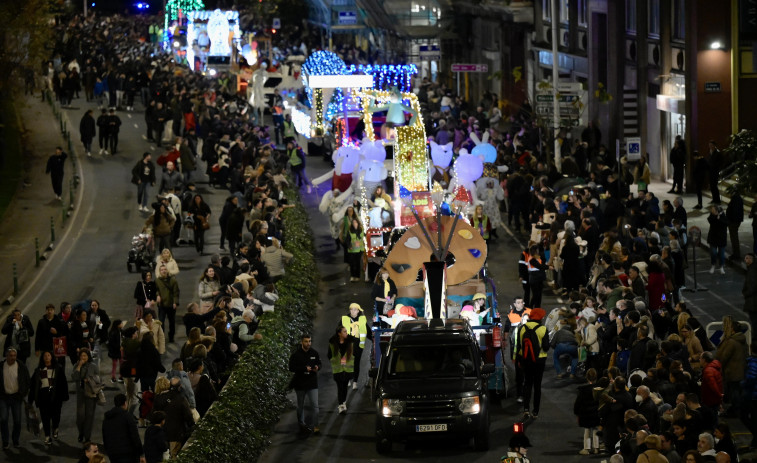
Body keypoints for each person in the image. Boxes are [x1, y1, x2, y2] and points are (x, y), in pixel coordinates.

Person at [28, 351, 68, 445]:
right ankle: (47, 436)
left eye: (48, 355)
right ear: (42, 358)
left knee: (56, 416)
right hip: (43, 397)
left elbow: (63, 382)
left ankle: (55, 428)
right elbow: (33, 385)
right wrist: (31, 399)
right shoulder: (38, 370)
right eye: (45, 356)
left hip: (56, 397)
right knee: (45, 417)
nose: (46, 357)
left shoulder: (58, 368)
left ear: (52, 357)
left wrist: (65, 395)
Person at [516, 307, 549, 419]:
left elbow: (519, 345)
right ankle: (535, 411)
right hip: (539, 360)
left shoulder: (522, 328)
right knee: (537, 385)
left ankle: (526, 409)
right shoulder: (543, 329)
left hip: (525, 359)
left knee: (527, 383)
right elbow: (545, 347)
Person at [152, 377, 194, 458]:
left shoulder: (157, 398)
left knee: (163, 457)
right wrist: (191, 425)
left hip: (162, 433)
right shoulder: (179, 398)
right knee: (174, 456)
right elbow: (188, 415)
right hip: (176, 433)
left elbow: (153, 416)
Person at [288, 334, 322, 434]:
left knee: (315, 406)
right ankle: (301, 425)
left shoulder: (314, 353)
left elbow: (319, 364)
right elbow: (291, 368)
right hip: (300, 384)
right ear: (301, 342)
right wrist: (303, 369)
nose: (308, 343)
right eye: (306, 341)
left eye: (310, 341)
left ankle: (316, 427)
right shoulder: (296, 355)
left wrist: (317, 368)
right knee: (300, 406)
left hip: (312, 383)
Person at [102, 393, 147, 463]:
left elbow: (104, 436)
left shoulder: (107, 418)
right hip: (128, 454)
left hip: (113, 453)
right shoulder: (127, 417)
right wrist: (141, 453)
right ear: (125, 403)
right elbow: (135, 436)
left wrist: (108, 451)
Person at [0, 348, 30, 449]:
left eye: (14, 356)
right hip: (4, 397)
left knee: (17, 421)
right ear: (6, 356)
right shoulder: (1, 366)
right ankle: (5, 440)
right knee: (3, 419)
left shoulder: (21, 366)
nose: (13, 358)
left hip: (16, 397)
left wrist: (23, 393)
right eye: (11, 355)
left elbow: (27, 380)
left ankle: (15, 439)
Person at [341, 303, 371, 390]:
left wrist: (374, 339)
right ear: (349, 310)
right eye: (351, 309)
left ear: (358, 311)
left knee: (356, 363)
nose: (353, 311)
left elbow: (368, 331)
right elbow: (338, 331)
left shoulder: (362, 320)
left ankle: (355, 382)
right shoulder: (344, 319)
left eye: (355, 309)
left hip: (358, 345)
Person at [71, 349, 98, 443]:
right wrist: (79, 366)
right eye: (82, 356)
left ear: (88, 356)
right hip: (81, 393)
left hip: (91, 393)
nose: (83, 358)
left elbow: (98, 379)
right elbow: (74, 377)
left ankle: (87, 436)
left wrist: (90, 380)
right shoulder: (76, 365)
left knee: (89, 416)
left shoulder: (93, 366)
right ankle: (81, 432)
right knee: (80, 416)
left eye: (85, 356)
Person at [328, 325, 356, 415]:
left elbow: (354, 354)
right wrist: (335, 361)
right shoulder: (333, 344)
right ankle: (341, 405)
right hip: (338, 370)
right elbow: (329, 355)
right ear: (339, 333)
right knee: (340, 387)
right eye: (344, 331)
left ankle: (343, 402)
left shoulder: (350, 342)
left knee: (344, 387)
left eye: (346, 331)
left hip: (347, 369)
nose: (346, 333)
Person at [574, 368, 601, 455]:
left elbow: (578, 403)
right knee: (595, 430)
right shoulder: (599, 389)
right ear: (596, 377)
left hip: (585, 414)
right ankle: (596, 448)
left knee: (587, 431)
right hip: (596, 413)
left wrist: (576, 412)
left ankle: (586, 448)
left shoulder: (582, 390)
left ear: (587, 377)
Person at [155, 264, 180, 343]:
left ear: (167, 270)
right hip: (162, 305)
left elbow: (176, 292)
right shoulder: (157, 281)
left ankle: (171, 336)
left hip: (170, 305)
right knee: (161, 322)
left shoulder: (173, 280)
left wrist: (175, 302)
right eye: (162, 270)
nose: (163, 271)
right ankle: (162, 337)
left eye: (165, 269)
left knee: (172, 322)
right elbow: (155, 290)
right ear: (160, 271)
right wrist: (157, 295)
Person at [707, 206, 728, 275]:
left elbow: (725, 223)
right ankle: (713, 264)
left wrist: (719, 218)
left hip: (721, 239)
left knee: (721, 254)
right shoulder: (712, 216)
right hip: (713, 238)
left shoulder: (723, 216)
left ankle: (721, 267)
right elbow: (710, 220)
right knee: (713, 252)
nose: (711, 210)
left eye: (713, 209)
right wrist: (716, 216)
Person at [725, 190, 744, 261]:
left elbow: (734, 211)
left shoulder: (735, 199)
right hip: (735, 221)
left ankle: (736, 254)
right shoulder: (738, 199)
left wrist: (729, 220)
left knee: (734, 238)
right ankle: (736, 253)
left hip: (733, 222)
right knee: (734, 237)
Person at [346, 218, 365, 282]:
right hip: (352, 250)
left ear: (358, 223)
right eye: (353, 223)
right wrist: (349, 246)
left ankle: (357, 276)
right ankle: (352, 276)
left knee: (357, 263)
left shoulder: (361, 230)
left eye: (356, 222)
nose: (355, 224)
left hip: (359, 250)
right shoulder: (350, 231)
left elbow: (364, 238)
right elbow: (347, 240)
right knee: (352, 263)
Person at [744, 253, 757, 341]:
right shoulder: (752, 269)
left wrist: (746, 293)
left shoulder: (752, 271)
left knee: (755, 322)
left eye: (747, 258)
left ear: (751, 260)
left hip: (753, 302)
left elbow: (752, 286)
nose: (745, 260)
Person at [708, 141, 723, 205]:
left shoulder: (717, 153)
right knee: (712, 186)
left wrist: (714, 167)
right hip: (710, 172)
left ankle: (717, 200)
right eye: (709, 145)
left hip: (715, 172)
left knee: (714, 186)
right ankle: (714, 199)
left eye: (711, 145)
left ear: (714, 145)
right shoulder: (710, 152)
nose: (710, 146)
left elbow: (719, 163)